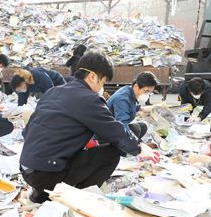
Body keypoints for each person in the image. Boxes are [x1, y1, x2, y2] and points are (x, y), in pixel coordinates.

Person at [19, 51, 153, 203]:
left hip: (27, 169)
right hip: (47, 174)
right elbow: (116, 131)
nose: (101, 88)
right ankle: (76, 200)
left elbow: (27, 132)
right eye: (103, 82)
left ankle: (40, 194)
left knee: (84, 149)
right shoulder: (89, 99)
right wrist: (139, 147)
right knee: (111, 153)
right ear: (92, 76)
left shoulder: (53, 92)